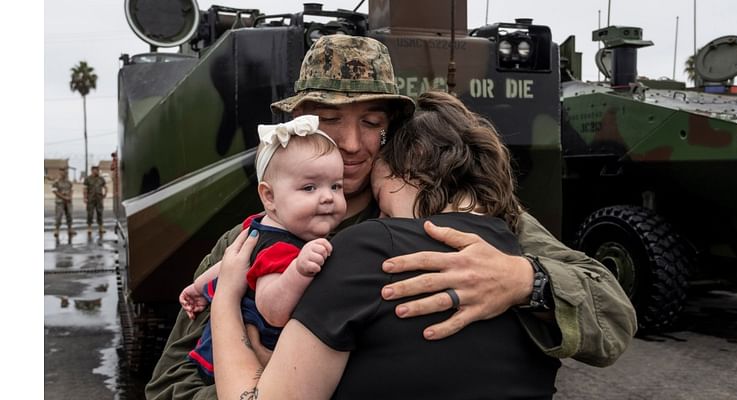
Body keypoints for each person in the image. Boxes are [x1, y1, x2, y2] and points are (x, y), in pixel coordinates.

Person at [145, 35, 636, 400]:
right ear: (301, 129)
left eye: (372, 123)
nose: (353, 144)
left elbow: (612, 316)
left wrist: (525, 279)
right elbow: (170, 383)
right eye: (331, 122)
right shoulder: (252, 240)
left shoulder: (453, 215)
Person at [211, 91, 568, 399]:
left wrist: (225, 299)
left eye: (381, 201)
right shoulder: (528, 263)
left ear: (410, 169)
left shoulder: (368, 247)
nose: (380, 217)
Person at [177, 116, 347, 381]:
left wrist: (198, 286)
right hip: (250, 365)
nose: (328, 197)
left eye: (336, 186)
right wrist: (299, 270)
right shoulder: (283, 249)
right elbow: (272, 309)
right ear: (269, 196)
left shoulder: (257, 228)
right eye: (309, 187)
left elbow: (234, 263)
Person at [83, 165, 107, 234]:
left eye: (98, 169)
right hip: (90, 199)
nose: (97, 171)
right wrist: (85, 198)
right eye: (95, 170)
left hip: (99, 199)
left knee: (100, 213)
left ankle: (101, 227)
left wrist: (105, 194)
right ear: (92, 170)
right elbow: (85, 189)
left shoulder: (101, 178)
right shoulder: (87, 179)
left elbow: (105, 187)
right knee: (90, 213)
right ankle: (89, 228)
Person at [52, 168, 75, 238]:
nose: (63, 174)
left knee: (70, 215)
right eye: (62, 172)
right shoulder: (56, 182)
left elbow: (71, 190)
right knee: (58, 216)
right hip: (60, 202)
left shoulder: (69, 182)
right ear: (60, 173)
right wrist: (64, 197)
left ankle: (70, 229)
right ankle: (57, 230)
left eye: (65, 172)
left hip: (68, 202)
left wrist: (70, 196)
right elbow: (55, 191)